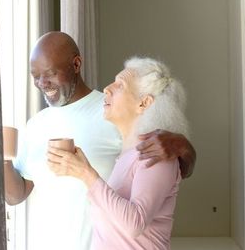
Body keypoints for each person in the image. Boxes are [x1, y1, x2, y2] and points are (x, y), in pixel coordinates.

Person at [3, 32, 196, 250]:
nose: (42, 82)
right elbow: (16, 194)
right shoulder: (36, 124)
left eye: (49, 73)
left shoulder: (119, 121)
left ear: (76, 64)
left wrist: (183, 145)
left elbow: (170, 172)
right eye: (35, 76)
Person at [47, 57, 188, 249]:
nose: (107, 88)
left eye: (120, 85)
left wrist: (85, 173)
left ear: (144, 103)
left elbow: (134, 224)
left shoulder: (157, 154)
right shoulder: (128, 155)